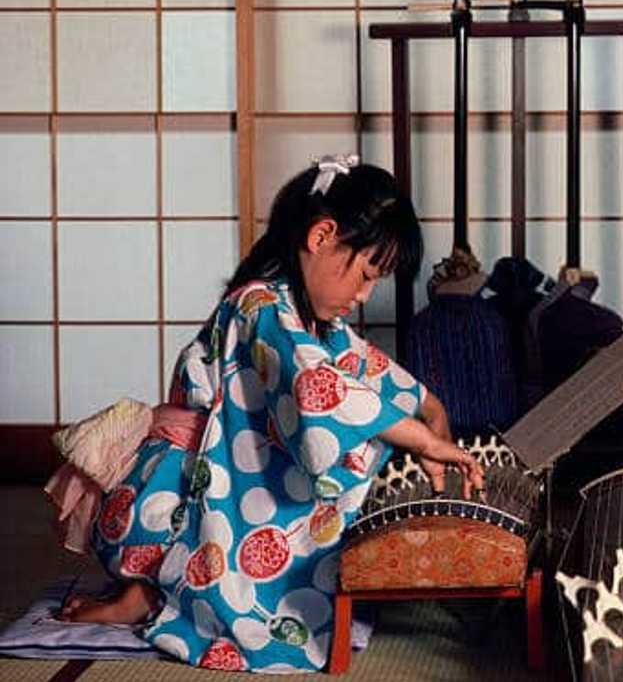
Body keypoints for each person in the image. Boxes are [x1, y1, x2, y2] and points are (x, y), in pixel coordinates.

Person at [54, 157, 485, 672]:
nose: (364, 295)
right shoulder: (259, 305)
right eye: (366, 275)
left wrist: (429, 409)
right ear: (323, 235)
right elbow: (320, 391)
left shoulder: (305, 316)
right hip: (166, 500)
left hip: (209, 491)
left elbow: (365, 371)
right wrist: (424, 440)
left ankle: (155, 596)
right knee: (311, 494)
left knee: (339, 459)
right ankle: (168, 591)